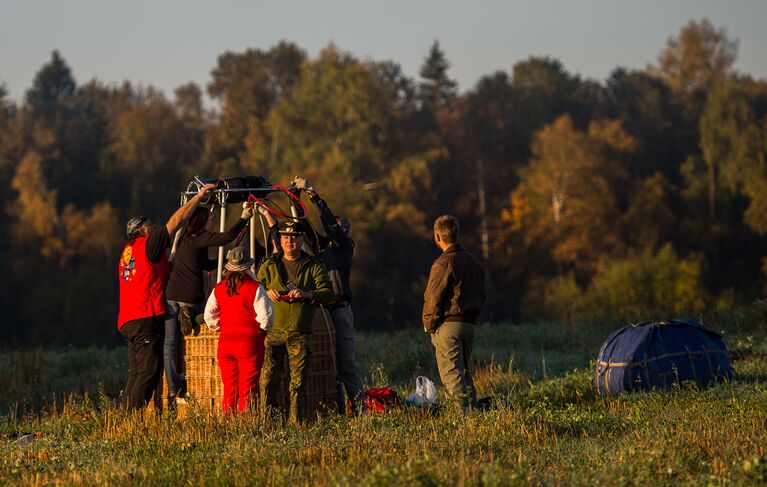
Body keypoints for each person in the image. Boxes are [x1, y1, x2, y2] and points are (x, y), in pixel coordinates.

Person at [117, 183, 215, 410]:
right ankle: (132, 417)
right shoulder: (149, 244)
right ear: (143, 230)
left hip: (127, 320)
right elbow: (177, 221)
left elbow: (151, 275)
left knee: (136, 373)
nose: (156, 227)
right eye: (151, 225)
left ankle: (125, 418)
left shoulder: (127, 252)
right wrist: (198, 198)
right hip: (144, 318)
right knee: (150, 370)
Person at [162, 203, 257, 405]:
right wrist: (244, 217)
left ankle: (172, 387)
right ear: (203, 222)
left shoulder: (187, 241)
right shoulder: (201, 238)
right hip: (188, 294)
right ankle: (191, 315)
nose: (213, 221)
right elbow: (226, 237)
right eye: (211, 218)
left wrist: (226, 262)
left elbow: (205, 264)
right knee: (205, 318)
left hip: (171, 294)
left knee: (170, 343)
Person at [293, 177, 366, 414]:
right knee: (327, 364)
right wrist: (294, 197)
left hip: (340, 310)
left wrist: (312, 193)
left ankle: (360, 409)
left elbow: (326, 224)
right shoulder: (321, 250)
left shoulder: (345, 246)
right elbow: (303, 226)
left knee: (346, 363)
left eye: (337, 226)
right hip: (323, 310)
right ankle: (337, 410)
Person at [257, 220, 333, 424]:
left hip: (300, 332)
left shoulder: (313, 265)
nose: (290, 241)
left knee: (298, 383)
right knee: (268, 380)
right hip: (274, 331)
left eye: (294, 237)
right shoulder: (269, 265)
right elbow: (253, 289)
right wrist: (265, 291)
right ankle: (268, 421)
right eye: (285, 237)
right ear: (280, 241)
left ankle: (295, 423)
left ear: (301, 240)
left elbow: (328, 293)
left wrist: (307, 294)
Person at [422, 215, 486, 409]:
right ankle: (474, 416)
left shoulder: (443, 263)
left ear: (437, 237)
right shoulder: (474, 262)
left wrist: (429, 325)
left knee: (452, 375)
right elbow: (482, 294)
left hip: (448, 326)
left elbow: (433, 299)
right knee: (466, 374)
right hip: (470, 325)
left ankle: (463, 422)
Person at [204, 247, 273, 413]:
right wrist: (260, 334)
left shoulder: (219, 288)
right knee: (248, 387)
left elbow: (209, 316)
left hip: (226, 343)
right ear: (247, 267)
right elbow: (266, 318)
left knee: (229, 387)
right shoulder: (255, 288)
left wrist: (223, 327)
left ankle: (228, 424)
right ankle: (245, 424)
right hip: (249, 343)